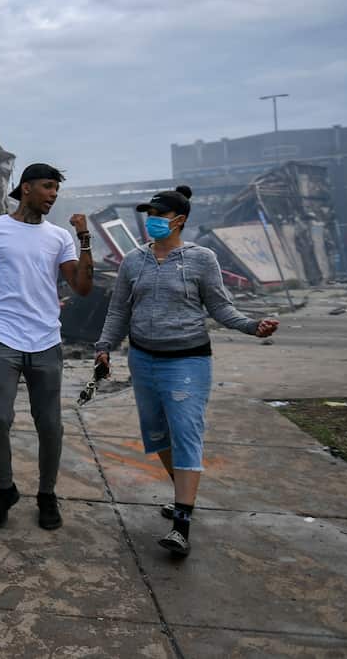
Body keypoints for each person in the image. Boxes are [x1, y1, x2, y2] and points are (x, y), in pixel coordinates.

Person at [94, 185, 279, 557]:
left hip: (188, 361)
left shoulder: (202, 259)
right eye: (150, 215)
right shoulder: (133, 260)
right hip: (143, 359)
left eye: (159, 216)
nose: (152, 222)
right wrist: (103, 348)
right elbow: (118, 311)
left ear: (179, 220)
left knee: (186, 434)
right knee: (157, 435)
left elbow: (220, 308)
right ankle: (185, 496)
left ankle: (181, 525)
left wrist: (251, 326)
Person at [0, 163, 94, 531]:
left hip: (46, 340)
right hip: (3, 337)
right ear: (26, 188)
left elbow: (82, 287)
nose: (53, 194)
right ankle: (6, 489)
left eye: (56, 189)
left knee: (50, 424)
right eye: (48, 187)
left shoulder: (59, 237)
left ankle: (46, 494)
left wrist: (84, 238)